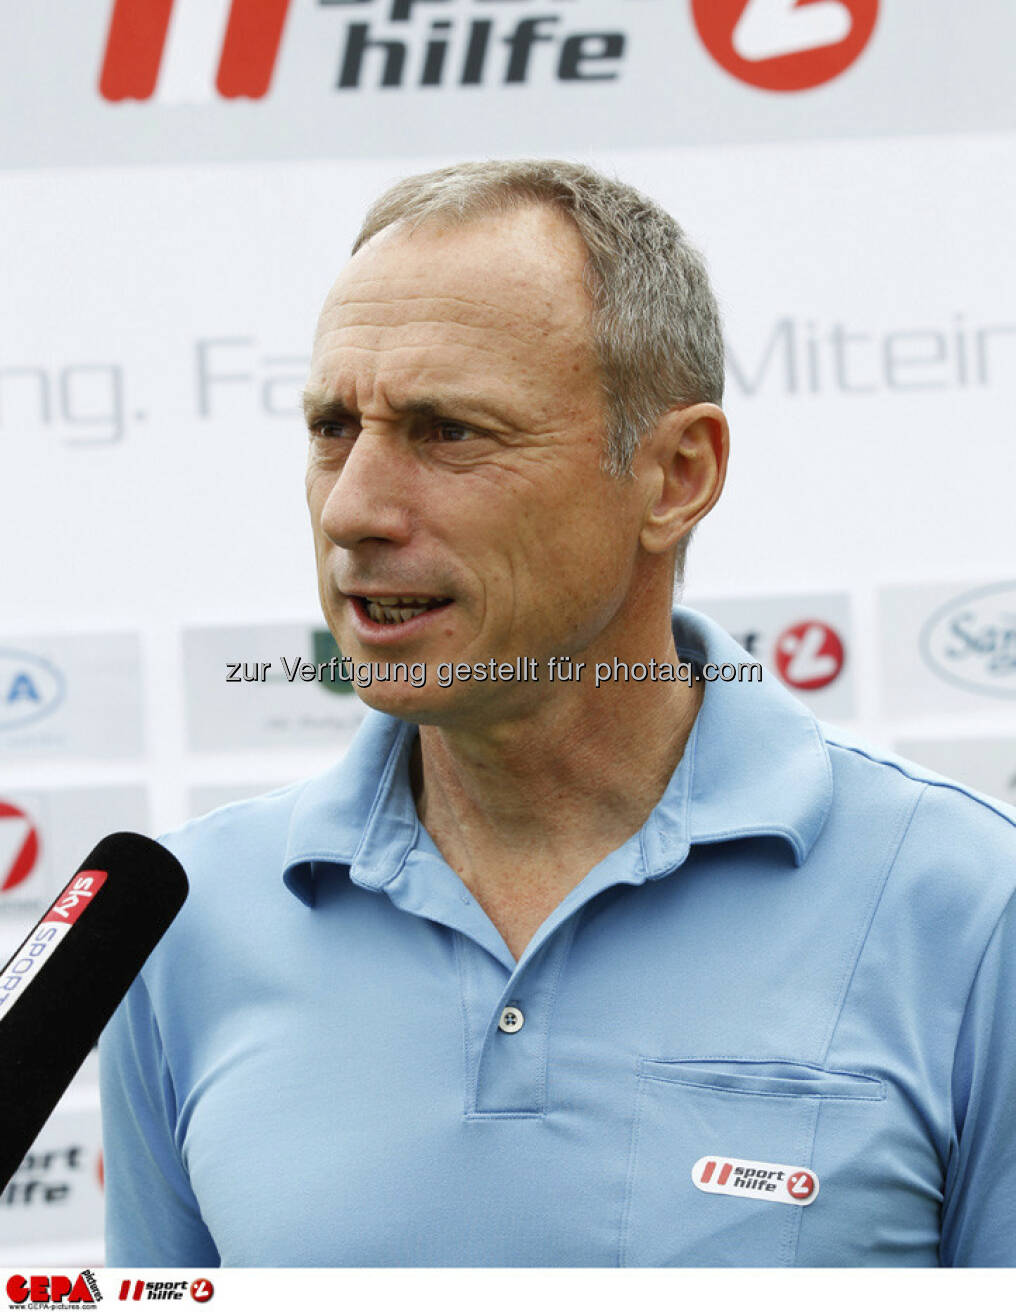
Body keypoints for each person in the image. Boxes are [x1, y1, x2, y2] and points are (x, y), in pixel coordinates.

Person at [99, 159, 1016, 1267]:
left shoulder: (966, 909)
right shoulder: (179, 920)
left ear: (674, 473)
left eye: (447, 432)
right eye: (333, 427)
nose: (352, 508)